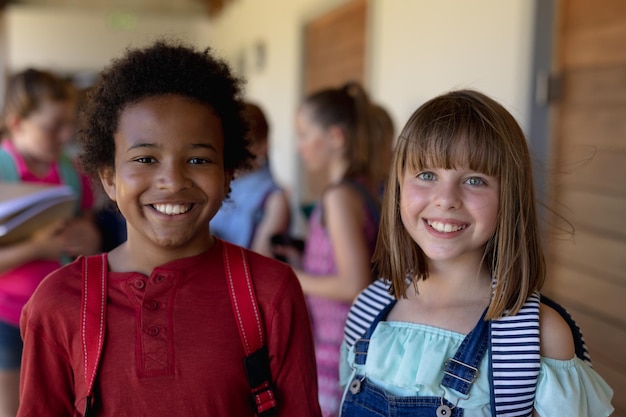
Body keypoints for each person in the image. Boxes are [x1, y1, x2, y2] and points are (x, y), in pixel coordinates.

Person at [17, 40, 322, 417]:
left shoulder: (269, 292)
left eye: (198, 159)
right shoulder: (59, 302)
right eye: (145, 158)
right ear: (109, 178)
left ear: (228, 175)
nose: (172, 181)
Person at [338, 89, 614, 416]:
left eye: (475, 180)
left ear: (508, 198)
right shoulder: (368, 310)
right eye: (427, 175)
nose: (446, 199)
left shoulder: (537, 336)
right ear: (398, 186)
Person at [0, 68, 101, 417]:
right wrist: (41, 249)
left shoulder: (72, 173)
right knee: (13, 407)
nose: (63, 135)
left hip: (60, 315)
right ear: (17, 124)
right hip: (6, 316)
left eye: (68, 125)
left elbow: (89, 236)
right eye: (52, 127)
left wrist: (90, 238)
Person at [275, 81, 381, 417]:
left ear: (335, 138)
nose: (299, 146)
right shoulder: (361, 188)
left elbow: (354, 284)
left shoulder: (339, 196)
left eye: (305, 135)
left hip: (339, 349)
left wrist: (292, 276)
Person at [210, 102, 290, 257]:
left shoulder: (274, 200)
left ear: (263, 146)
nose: (230, 151)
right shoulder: (214, 185)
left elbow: (259, 267)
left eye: (241, 144)